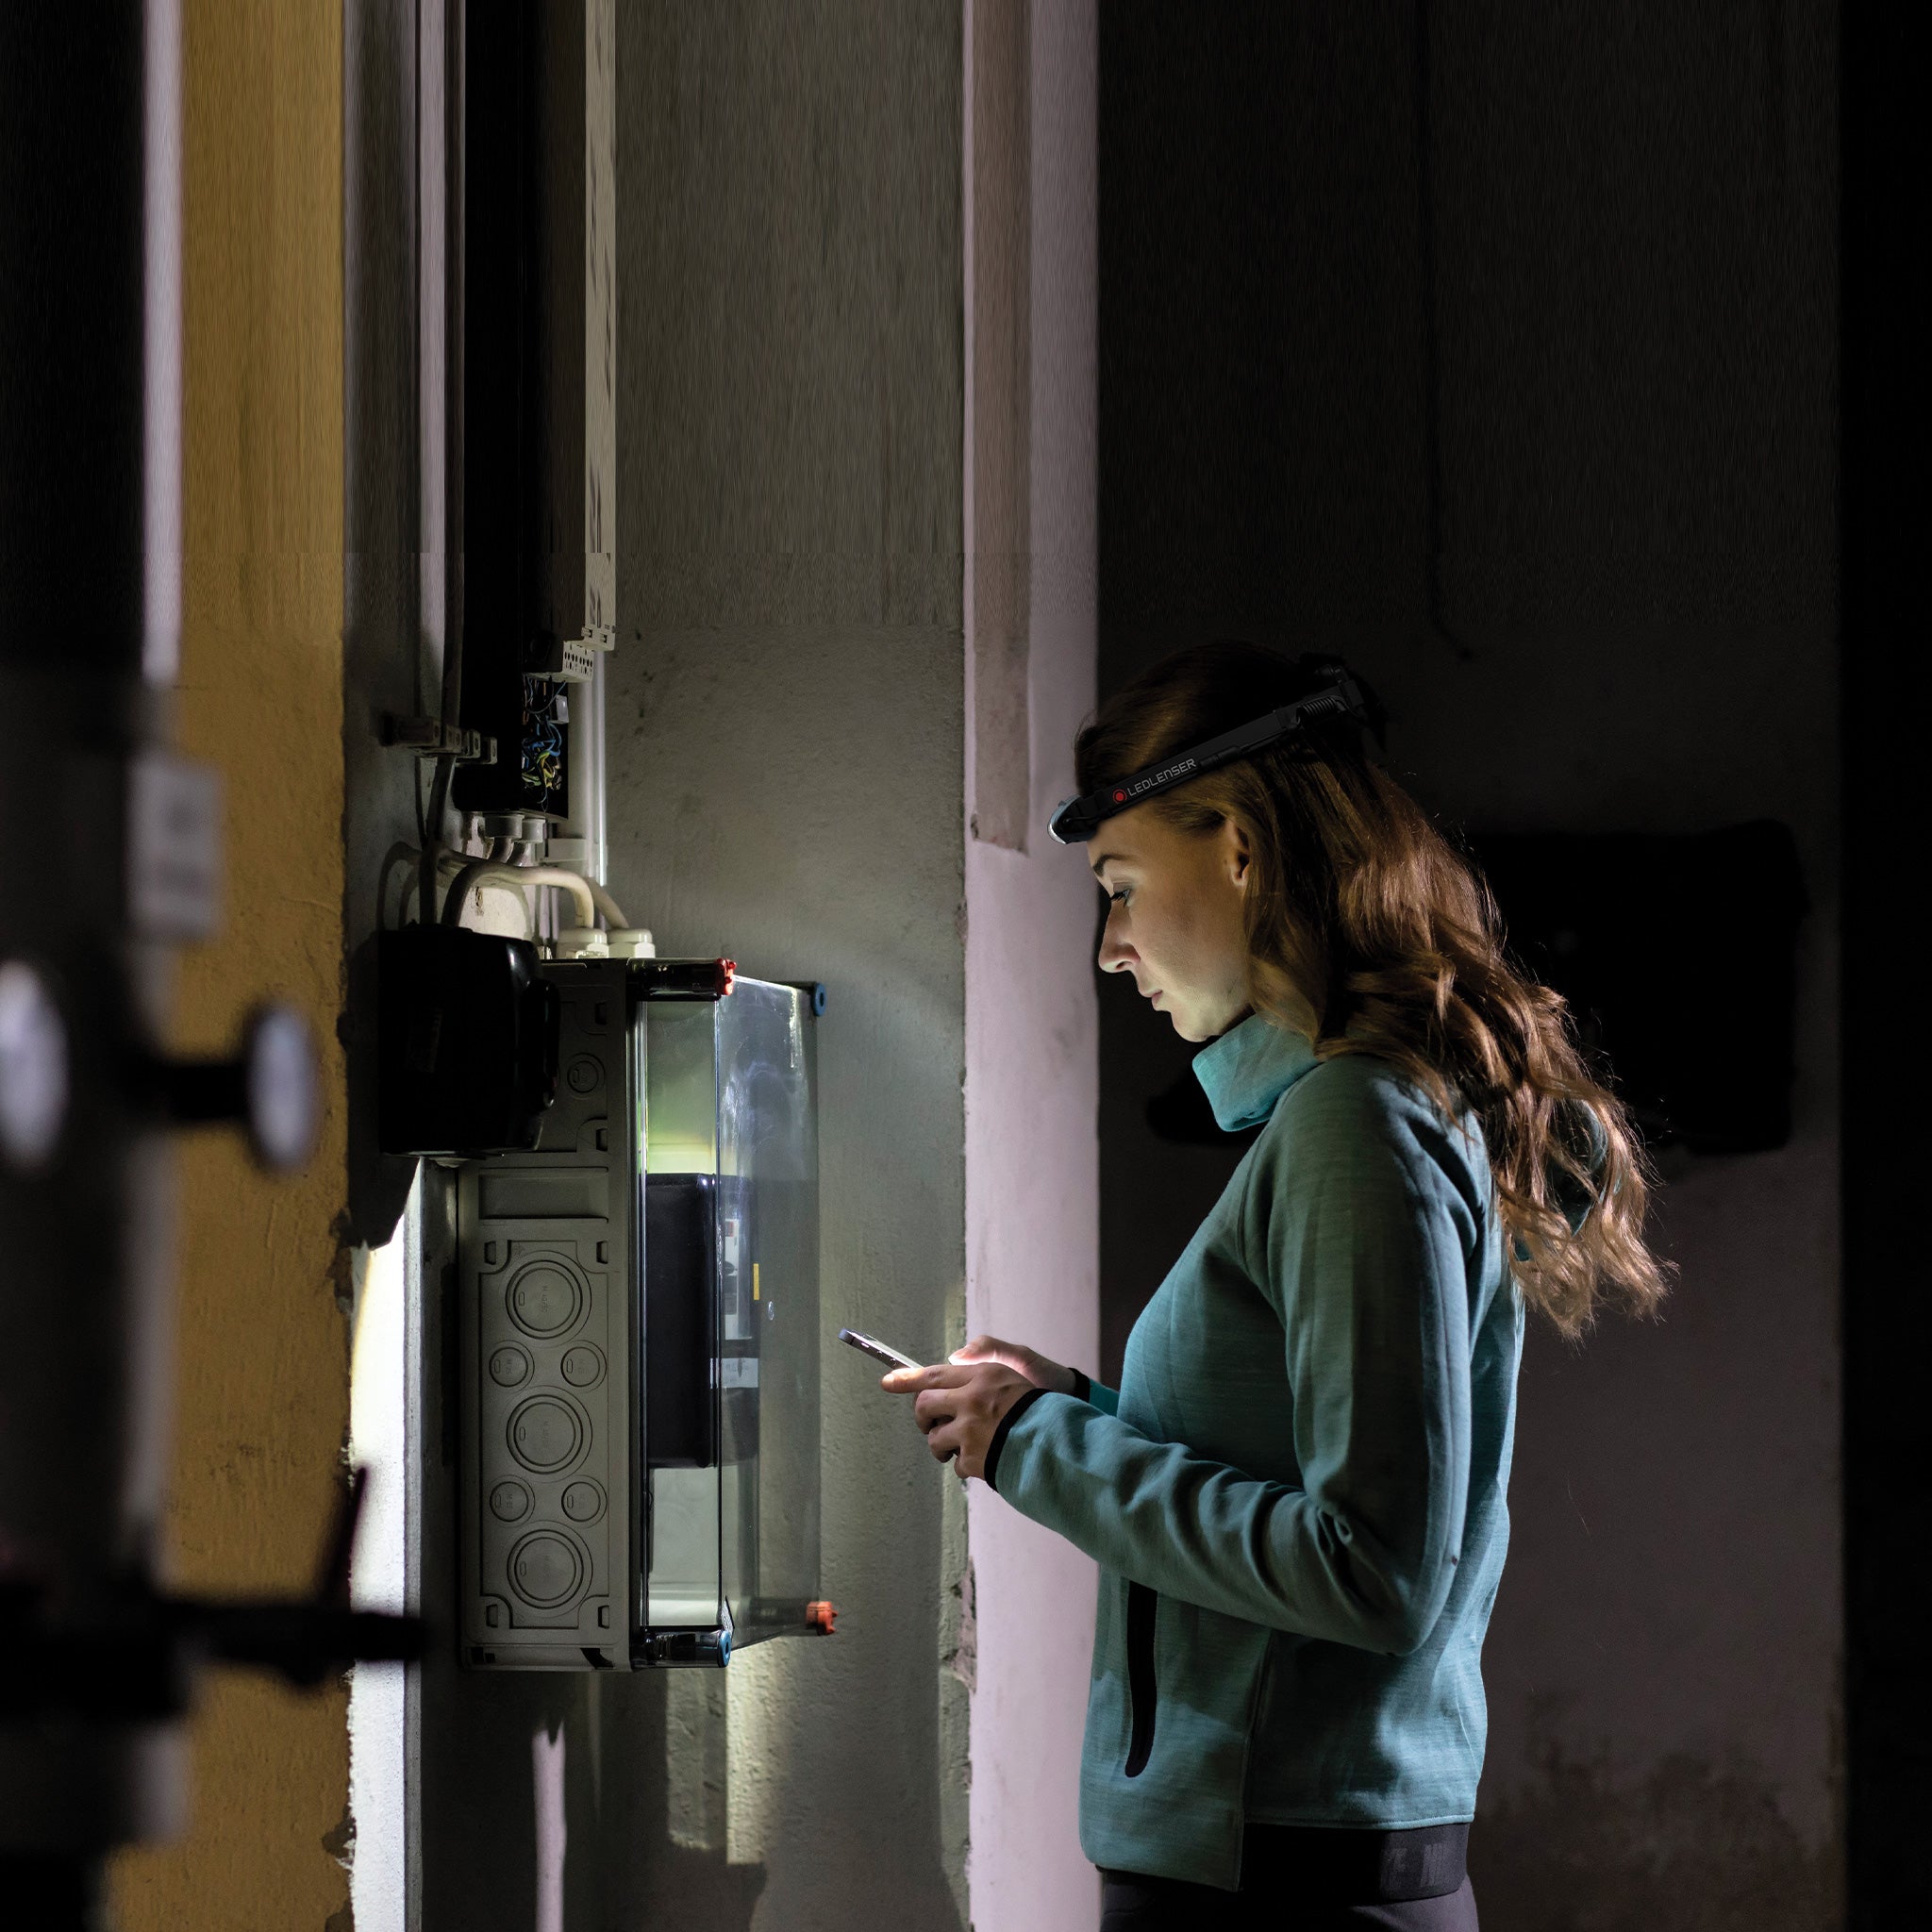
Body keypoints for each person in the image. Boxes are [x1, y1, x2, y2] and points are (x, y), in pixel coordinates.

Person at [883, 641, 1672, 1930]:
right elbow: (1291, 1469)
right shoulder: (1355, 1115)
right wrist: (1067, 1408)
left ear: (1240, 853)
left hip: (1282, 1883)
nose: (1110, 947)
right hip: (1286, 1867)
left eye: (1122, 886)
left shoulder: (1354, 1126)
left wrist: (1046, 1450)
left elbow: (1373, 1570)